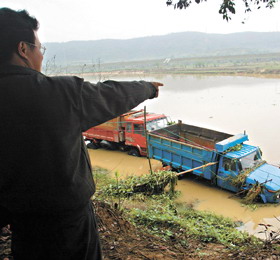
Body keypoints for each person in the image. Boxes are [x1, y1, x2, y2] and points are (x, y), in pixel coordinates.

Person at [0, 8, 163, 259]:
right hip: (68, 224)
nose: (41, 57)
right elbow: (109, 95)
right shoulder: (56, 93)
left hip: (22, 223)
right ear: (23, 49)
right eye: (39, 49)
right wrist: (147, 88)